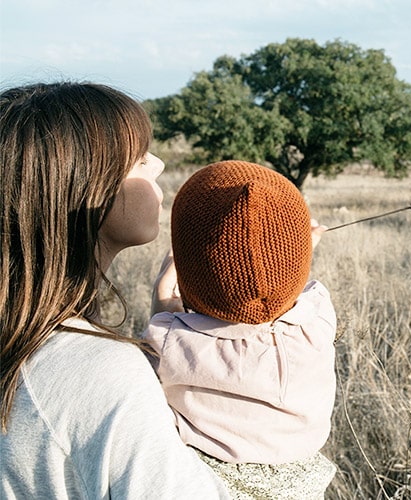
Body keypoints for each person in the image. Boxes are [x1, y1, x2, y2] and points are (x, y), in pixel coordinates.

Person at [0, 82, 229, 499]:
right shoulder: (97, 371)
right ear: (84, 186)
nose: (158, 165)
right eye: (140, 159)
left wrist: (166, 329)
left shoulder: (27, 344)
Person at [144, 160, 337, 499]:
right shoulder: (318, 320)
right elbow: (293, 286)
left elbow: (148, 377)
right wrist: (290, 247)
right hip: (303, 488)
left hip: (214, 486)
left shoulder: (172, 342)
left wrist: (161, 305)